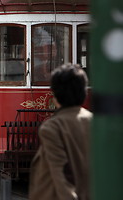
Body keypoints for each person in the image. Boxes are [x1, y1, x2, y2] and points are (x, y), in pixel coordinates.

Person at [29, 64, 92, 200]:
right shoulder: (94, 122)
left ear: (55, 95)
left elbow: (62, 175)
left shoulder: (52, 127)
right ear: (84, 92)